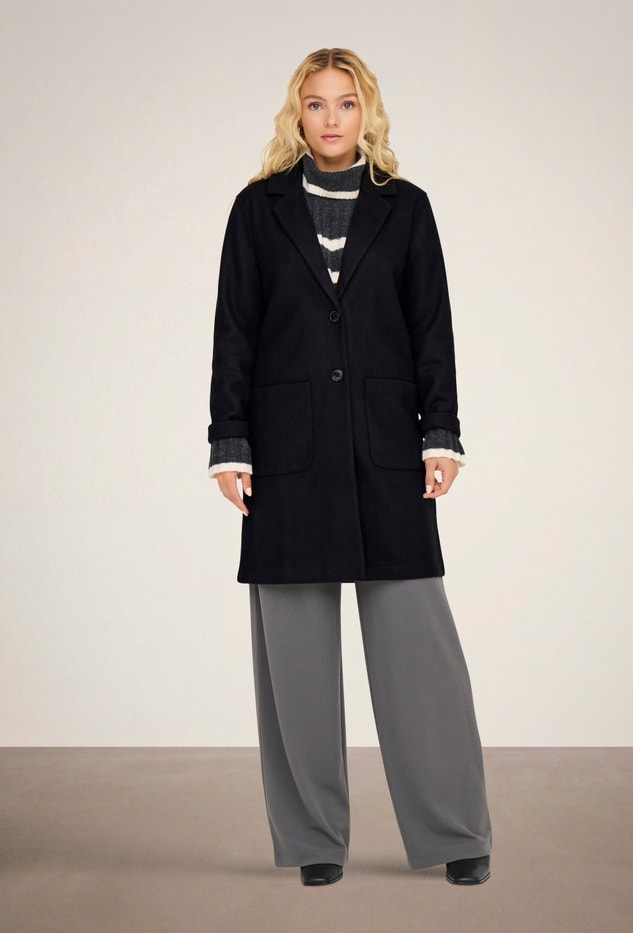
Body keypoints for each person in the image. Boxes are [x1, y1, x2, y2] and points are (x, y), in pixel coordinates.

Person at [207, 48, 492, 887]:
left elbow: (432, 326)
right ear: (296, 115)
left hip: (386, 448)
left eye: (345, 102)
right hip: (286, 451)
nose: (330, 118)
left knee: (419, 654)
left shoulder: (407, 208)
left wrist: (440, 434)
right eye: (315, 103)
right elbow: (234, 330)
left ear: (367, 112)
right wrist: (230, 443)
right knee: (294, 661)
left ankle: (455, 829)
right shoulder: (256, 210)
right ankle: (314, 840)